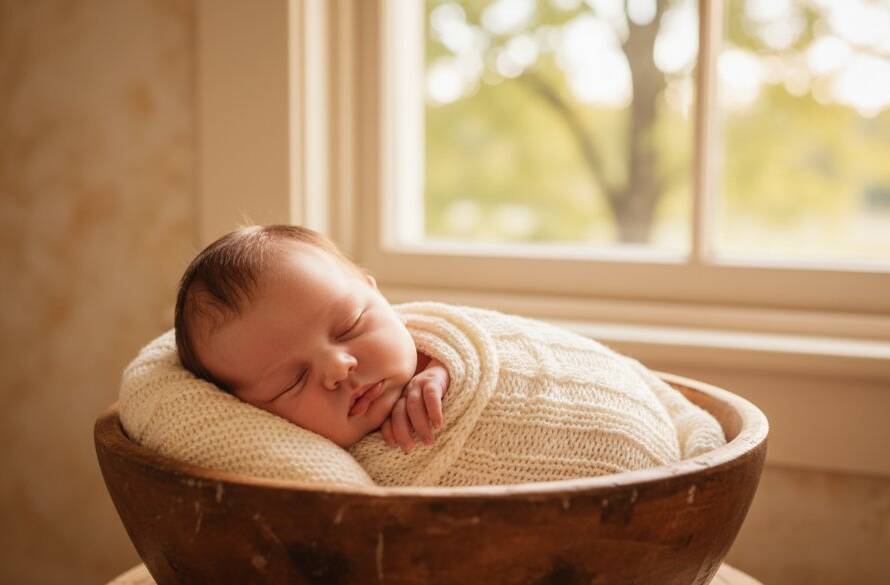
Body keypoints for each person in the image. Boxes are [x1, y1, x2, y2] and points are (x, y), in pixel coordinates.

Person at [175, 224, 450, 453]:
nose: (338, 368)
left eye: (349, 326)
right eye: (295, 380)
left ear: (374, 292)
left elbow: (486, 339)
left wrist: (446, 368)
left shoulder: (436, 341)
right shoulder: (308, 467)